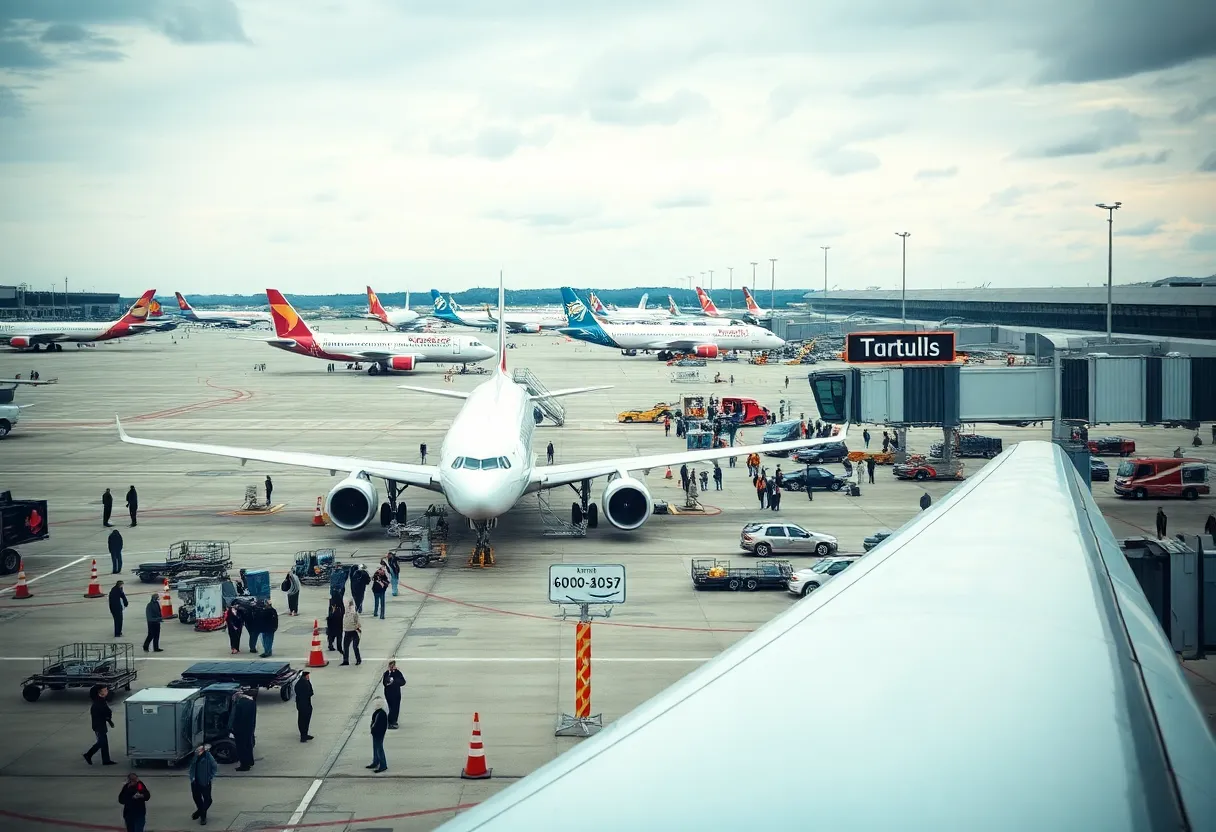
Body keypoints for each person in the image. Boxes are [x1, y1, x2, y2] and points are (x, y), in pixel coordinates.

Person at [84, 685, 117, 765]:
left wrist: (109, 720)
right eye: (105, 690)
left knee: (104, 743)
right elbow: (104, 713)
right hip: (98, 726)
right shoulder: (98, 703)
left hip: (101, 724)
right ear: (100, 692)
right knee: (101, 742)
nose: (107, 692)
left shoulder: (101, 700)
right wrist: (109, 719)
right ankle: (88, 754)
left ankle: (106, 760)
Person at [187, 744, 217, 825]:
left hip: (204, 781)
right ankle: (202, 814)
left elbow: (214, 767)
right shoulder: (195, 756)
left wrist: (210, 777)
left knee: (208, 799)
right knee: (197, 798)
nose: (198, 751)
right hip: (195, 781)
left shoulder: (208, 757)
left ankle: (201, 813)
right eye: (197, 750)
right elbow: (191, 767)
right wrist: (192, 777)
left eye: (200, 750)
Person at [230, 691, 257, 771]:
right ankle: (250, 761)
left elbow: (238, 719)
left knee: (241, 748)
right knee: (248, 745)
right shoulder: (251, 703)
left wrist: (233, 729)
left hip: (241, 730)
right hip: (250, 728)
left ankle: (245, 765)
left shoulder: (239, 705)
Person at [382, 660, 406, 729]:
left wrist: (395, 681)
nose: (392, 667)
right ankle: (390, 722)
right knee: (392, 708)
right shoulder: (387, 673)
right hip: (389, 693)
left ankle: (394, 721)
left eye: (393, 666)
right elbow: (385, 683)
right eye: (391, 666)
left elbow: (403, 682)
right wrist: (389, 680)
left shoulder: (398, 673)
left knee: (396, 707)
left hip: (396, 693)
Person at [368, 698, 389, 773]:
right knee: (376, 748)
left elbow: (378, 725)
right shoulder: (378, 713)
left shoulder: (380, 714)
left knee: (379, 749)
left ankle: (383, 765)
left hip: (378, 734)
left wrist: (373, 730)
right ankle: (376, 762)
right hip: (376, 734)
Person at [342, 600, 362, 666]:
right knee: (346, 647)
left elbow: (358, 623)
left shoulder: (354, 613)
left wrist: (356, 627)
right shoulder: (345, 613)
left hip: (353, 632)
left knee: (354, 647)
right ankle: (346, 660)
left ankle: (358, 659)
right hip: (347, 631)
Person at [296, 670, 314, 742]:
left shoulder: (298, 683)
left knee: (301, 719)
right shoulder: (305, 683)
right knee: (305, 720)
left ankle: (303, 734)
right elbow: (311, 692)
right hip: (305, 704)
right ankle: (304, 736)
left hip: (300, 703)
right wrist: (309, 681)